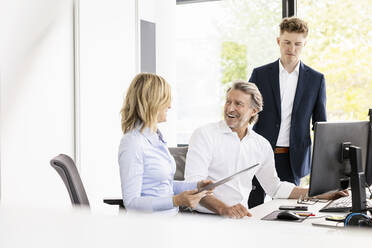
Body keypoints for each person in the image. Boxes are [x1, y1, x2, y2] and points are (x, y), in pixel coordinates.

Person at [184, 81, 346, 218]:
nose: (230, 108)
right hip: (203, 218)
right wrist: (224, 209)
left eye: (238, 104)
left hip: (237, 218)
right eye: (228, 101)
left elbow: (274, 187)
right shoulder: (204, 134)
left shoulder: (260, 145)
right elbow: (192, 186)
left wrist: (321, 194)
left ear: (254, 111)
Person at [248, 17, 327, 208]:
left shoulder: (316, 79)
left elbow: (321, 125)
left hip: (294, 158)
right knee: (252, 205)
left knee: (290, 210)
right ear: (278, 42)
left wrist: (324, 165)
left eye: (297, 44)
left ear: (305, 44)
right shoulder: (260, 74)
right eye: (287, 42)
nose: (291, 48)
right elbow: (246, 113)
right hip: (260, 153)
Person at [118, 73, 212, 215]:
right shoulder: (133, 143)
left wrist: (196, 186)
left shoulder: (156, 138)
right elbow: (132, 203)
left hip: (169, 220)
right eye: (166, 100)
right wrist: (176, 201)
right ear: (153, 102)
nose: (170, 106)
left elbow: (163, 185)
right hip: (149, 226)